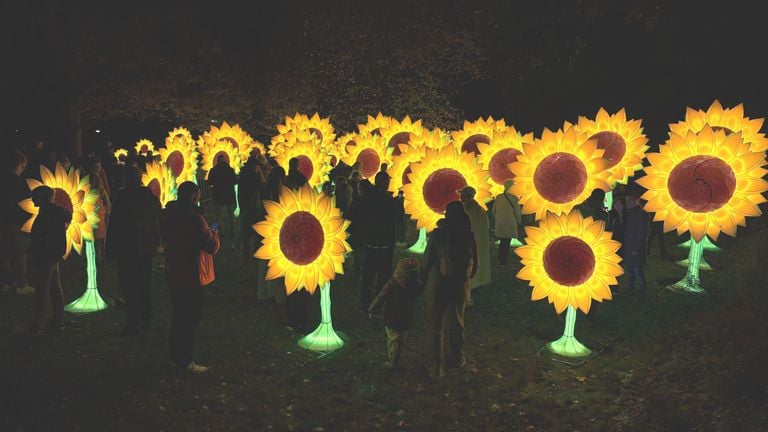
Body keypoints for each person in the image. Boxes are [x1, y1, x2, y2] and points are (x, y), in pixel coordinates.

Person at [159, 182, 220, 373]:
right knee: (190, 317)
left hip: (173, 270)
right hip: (192, 274)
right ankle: (185, 359)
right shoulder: (195, 219)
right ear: (194, 196)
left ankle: (175, 354)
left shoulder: (168, 215)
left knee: (178, 314)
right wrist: (214, 234)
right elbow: (210, 247)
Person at [423, 201, 477, 378]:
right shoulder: (468, 236)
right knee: (456, 323)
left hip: (438, 285)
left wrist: (422, 278)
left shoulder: (438, 235)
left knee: (435, 326)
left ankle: (434, 366)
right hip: (458, 286)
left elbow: (428, 261)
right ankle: (456, 357)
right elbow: (474, 265)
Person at [105, 167, 161, 336]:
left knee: (130, 286)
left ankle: (134, 323)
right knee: (144, 284)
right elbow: (157, 221)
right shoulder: (150, 198)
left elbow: (114, 225)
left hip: (127, 250)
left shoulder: (122, 197)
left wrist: (110, 250)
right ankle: (145, 319)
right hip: (145, 249)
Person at [352, 172, 405, 312]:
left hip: (369, 243)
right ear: (384, 182)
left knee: (367, 275)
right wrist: (400, 203)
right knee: (383, 276)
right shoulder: (388, 200)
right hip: (384, 244)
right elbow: (398, 219)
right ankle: (379, 303)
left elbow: (355, 216)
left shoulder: (366, 198)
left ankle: (365, 302)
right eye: (388, 181)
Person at [28, 186, 70, 336]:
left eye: (34, 197)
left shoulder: (47, 214)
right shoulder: (55, 212)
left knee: (43, 287)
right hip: (53, 254)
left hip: (46, 254)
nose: (32, 199)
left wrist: (39, 249)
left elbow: (44, 236)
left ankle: (39, 321)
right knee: (54, 285)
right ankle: (58, 317)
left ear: (42, 198)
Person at [368, 258, 423, 370]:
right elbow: (421, 290)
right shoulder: (414, 285)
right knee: (401, 340)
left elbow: (381, 297)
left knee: (393, 341)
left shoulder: (392, 284)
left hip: (391, 318)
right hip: (406, 318)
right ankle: (397, 357)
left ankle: (393, 362)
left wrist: (371, 308)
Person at [283, 158, 312, 331]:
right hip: (299, 246)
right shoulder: (299, 180)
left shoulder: (287, 180)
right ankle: (299, 318)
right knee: (299, 288)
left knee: (294, 287)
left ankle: (294, 318)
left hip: (292, 244)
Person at [1, 150, 35, 294]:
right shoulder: (20, 182)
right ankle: (20, 284)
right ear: (20, 164)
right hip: (18, 223)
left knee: (6, 254)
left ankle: (7, 283)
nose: (25, 167)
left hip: (4, 223)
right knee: (20, 254)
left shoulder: (3, 180)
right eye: (24, 164)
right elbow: (28, 203)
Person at [257, 166, 286, 302]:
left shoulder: (262, 188)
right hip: (276, 229)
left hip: (263, 228)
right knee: (275, 263)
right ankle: (276, 294)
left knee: (263, 263)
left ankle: (263, 292)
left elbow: (256, 205)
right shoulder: (280, 192)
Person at [459, 186, 490, 294]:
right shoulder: (479, 208)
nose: (460, 197)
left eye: (462, 195)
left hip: (470, 240)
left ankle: (472, 283)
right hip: (479, 239)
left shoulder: (467, 208)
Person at [622, 189, 651, 293]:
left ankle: (642, 289)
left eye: (630, 201)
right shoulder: (631, 214)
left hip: (635, 247)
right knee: (630, 269)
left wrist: (637, 248)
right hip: (629, 246)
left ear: (637, 200)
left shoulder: (642, 214)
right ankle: (631, 287)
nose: (628, 203)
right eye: (627, 202)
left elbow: (642, 233)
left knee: (637, 269)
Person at [238, 158, 265, 261]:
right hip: (252, 207)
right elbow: (262, 183)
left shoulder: (243, 175)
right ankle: (252, 254)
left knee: (246, 233)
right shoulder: (253, 177)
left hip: (245, 206)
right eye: (258, 167)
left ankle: (246, 255)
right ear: (254, 166)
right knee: (253, 232)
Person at [206, 155, 237, 244]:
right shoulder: (230, 170)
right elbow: (235, 181)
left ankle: (217, 231)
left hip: (219, 195)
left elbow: (210, 182)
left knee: (219, 216)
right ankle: (232, 231)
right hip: (230, 195)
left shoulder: (213, 170)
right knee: (231, 215)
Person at [492, 179, 522, 264]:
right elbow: (517, 213)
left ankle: (500, 257)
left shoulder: (498, 197)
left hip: (500, 222)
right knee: (507, 241)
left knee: (502, 240)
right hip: (510, 223)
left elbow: (493, 211)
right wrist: (519, 222)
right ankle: (503, 259)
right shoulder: (514, 198)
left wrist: (498, 218)